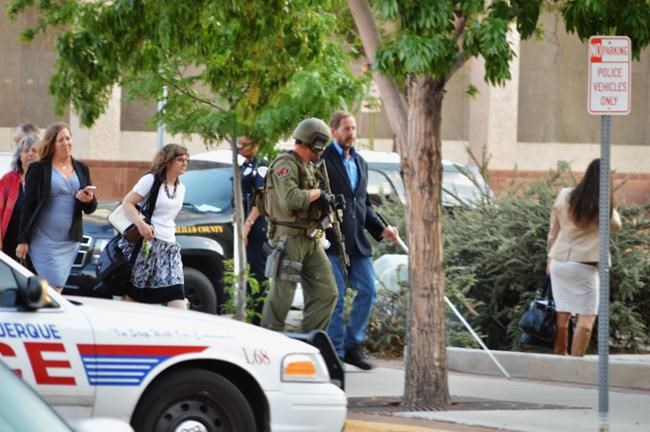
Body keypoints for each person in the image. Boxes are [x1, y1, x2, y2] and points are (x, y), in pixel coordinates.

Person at [323, 111, 398, 370]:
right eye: (346, 129)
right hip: (331, 241)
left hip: (357, 242)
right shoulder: (323, 161)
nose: (351, 133)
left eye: (354, 128)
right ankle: (335, 352)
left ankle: (352, 346)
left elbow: (362, 204)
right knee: (336, 297)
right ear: (334, 131)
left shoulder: (361, 162)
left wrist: (382, 230)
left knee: (368, 290)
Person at [260, 118, 338, 332]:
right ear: (315, 142)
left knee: (326, 293)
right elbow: (291, 199)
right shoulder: (285, 165)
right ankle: (268, 343)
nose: (323, 150)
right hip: (289, 239)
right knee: (281, 300)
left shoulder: (309, 167)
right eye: (322, 144)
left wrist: (326, 202)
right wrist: (317, 194)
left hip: (310, 238)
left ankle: (308, 339)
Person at [547, 158, 622, 357]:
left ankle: (560, 356)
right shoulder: (602, 205)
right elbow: (616, 226)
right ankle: (575, 362)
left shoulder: (564, 194)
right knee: (587, 317)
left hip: (559, 261)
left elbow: (553, 230)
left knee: (562, 312)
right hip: (584, 266)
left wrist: (549, 258)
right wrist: (608, 200)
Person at [16, 122, 96, 292]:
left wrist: (88, 200)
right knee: (54, 287)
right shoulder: (38, 169)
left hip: (69, 241)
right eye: (60, 140)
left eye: (68, 138)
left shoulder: (82, 168)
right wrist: (23, 240)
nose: (66, 143)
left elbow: (90, 208)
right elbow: (28, 206)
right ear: (51, 143)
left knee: (54, 289)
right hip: (43, 240)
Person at [118, 144, 189, 309]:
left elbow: (169, 216)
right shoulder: (151, 180)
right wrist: (141, 225)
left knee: (177, 293)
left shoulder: (181, 188)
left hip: (169, 248)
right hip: (146, 245)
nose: (184, 163)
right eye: (180, 160)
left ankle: (180, 326)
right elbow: (127, 203)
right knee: (135, 294)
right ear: (168, 162)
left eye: (186, 160)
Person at [239, 136, 269, 325]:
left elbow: (261, 197)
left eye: (245, 144)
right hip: (244, 223)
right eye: (239, 144)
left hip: (257, 226)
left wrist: (248, 224)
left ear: (257, 144)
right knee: (248, 271)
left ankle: (258, 318)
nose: (240, 147)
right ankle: (249, 313)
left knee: (258, 273)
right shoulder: (245, 165)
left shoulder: (261, 166)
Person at [0, 135, 40, 264]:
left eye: (34, 150)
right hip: (8, 243)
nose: (30, 154)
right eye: (26, 150)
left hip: (37, 245)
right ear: (19, 156)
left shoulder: (45, 182)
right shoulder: (8, 180)